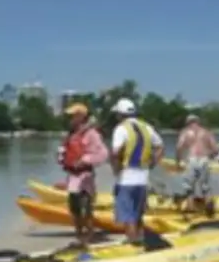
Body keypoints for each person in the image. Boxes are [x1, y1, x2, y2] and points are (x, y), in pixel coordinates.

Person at [109, 98, 164, 244]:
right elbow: (160, 146)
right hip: (143, 178)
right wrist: (152, 163)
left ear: (120, 114)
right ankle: (141, 241)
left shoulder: (121, 129)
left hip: (126, 178)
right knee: (138, 215)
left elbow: (115, 152)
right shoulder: (147, 127)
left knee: (128, 217)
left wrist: (115, 169)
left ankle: (133, 243)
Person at [57, 103, 108, 247]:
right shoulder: (70, 134)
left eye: (72, 116)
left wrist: (84, 160)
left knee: (86, 208)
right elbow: (64, 152)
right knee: (75, 209)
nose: (69, 119)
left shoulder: (91, 134)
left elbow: (103, 154)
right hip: (73, 177)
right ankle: (80, 236)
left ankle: (89, 237)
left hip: (85, 176)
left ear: (80, 117)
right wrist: (61, 157)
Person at [175, 114, 219, 212]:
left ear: (187, 122)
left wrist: (178, 160)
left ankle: (190, 206)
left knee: (188, 185)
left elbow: (179, 147)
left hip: (191, 159)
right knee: (205, 185)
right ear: (198, 122)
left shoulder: (185, 132)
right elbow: (216, 149)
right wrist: (210, 156)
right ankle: (208, 204)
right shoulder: (206, 132)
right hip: (204, 159)